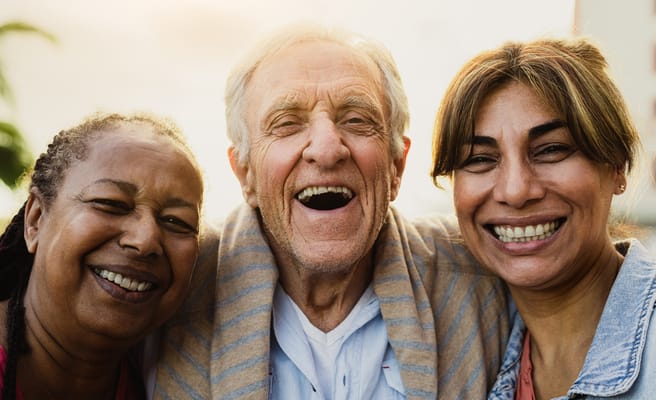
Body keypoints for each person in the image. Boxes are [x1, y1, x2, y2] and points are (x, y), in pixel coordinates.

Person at [152, 24, 510, 400]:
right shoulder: (174, 289)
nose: (326, 149)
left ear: (396, 167)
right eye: (287, 123)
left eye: (356, 120)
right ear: (246, 172)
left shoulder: (481, 276)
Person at [431, 38, 656, 399]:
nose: (516, 190)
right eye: (480, 158)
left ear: (617, 165)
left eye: (551, 150)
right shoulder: (469, 364)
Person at [0, 113, 204, 399]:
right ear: (36, 220)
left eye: (177, 222)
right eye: (110, 204)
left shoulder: (172, 382)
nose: (145, 241)